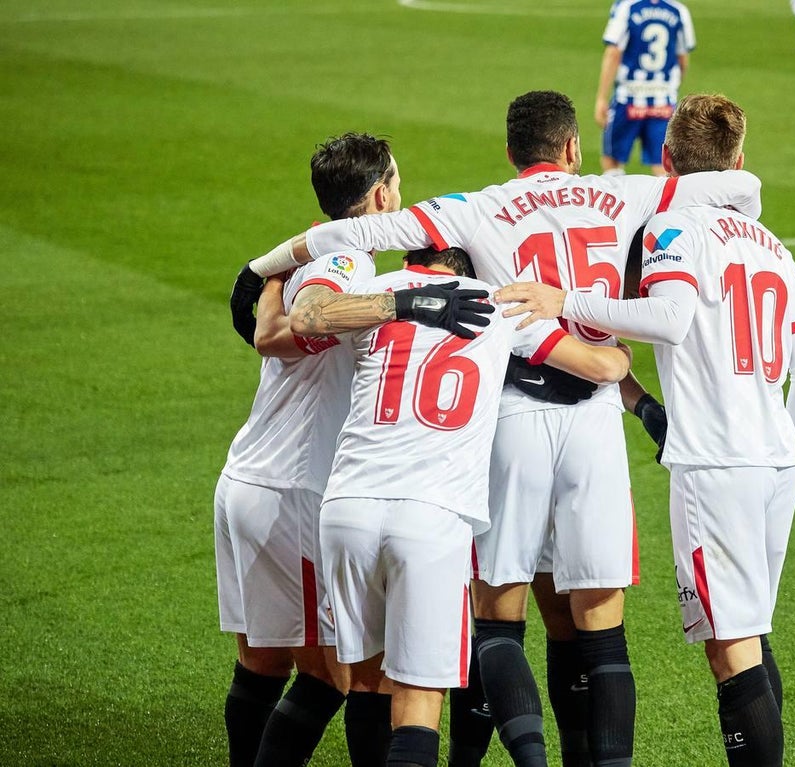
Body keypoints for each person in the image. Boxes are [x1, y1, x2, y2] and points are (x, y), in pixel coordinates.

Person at [245, 89, 762, 767]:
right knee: (602, 629)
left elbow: (360, 233)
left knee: (495, 618)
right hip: (595, 412)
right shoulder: (629, 193)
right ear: (573, 148)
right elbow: (731, 184)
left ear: (511, 151)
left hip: (509, 412)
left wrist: (263, 267)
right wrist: (633, 389)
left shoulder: (476, 207)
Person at [494, 93, 795, 767]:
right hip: (778, 462)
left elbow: (669, 318)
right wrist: (777, 447)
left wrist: (568, 302)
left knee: (731, 649)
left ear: (667, 159)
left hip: (715, 464)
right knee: (750, 634)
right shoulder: (774, 244)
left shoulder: (675, 231)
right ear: (739, 160)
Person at [218, 132, 491, 767]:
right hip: (294, 486)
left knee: (263, 663)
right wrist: (405, 302)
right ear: (380, 195)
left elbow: (274, 319)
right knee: (332, 677)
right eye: (398, 183)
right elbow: (283, 334)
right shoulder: (349, 265)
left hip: (255, 476)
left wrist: (265, 275)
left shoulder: (329, 257)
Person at [313, 245, 632, 767]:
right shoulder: (492, 300)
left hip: (347, 505)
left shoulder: (375, 294)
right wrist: (623, 357)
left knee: (367, 683)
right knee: (417, 698)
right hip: (432, 515)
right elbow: (599, 366)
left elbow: (303, 324)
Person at [595, 0, 696, 177]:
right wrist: (670, 89)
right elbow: (683, 59)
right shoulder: (679, 11)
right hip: (663, 102)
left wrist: (602, 97)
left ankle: (618, 203)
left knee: (612, 162)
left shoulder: (627, 7)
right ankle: (665, 204)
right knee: (663, 165)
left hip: (628, 99)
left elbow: (613, 52)